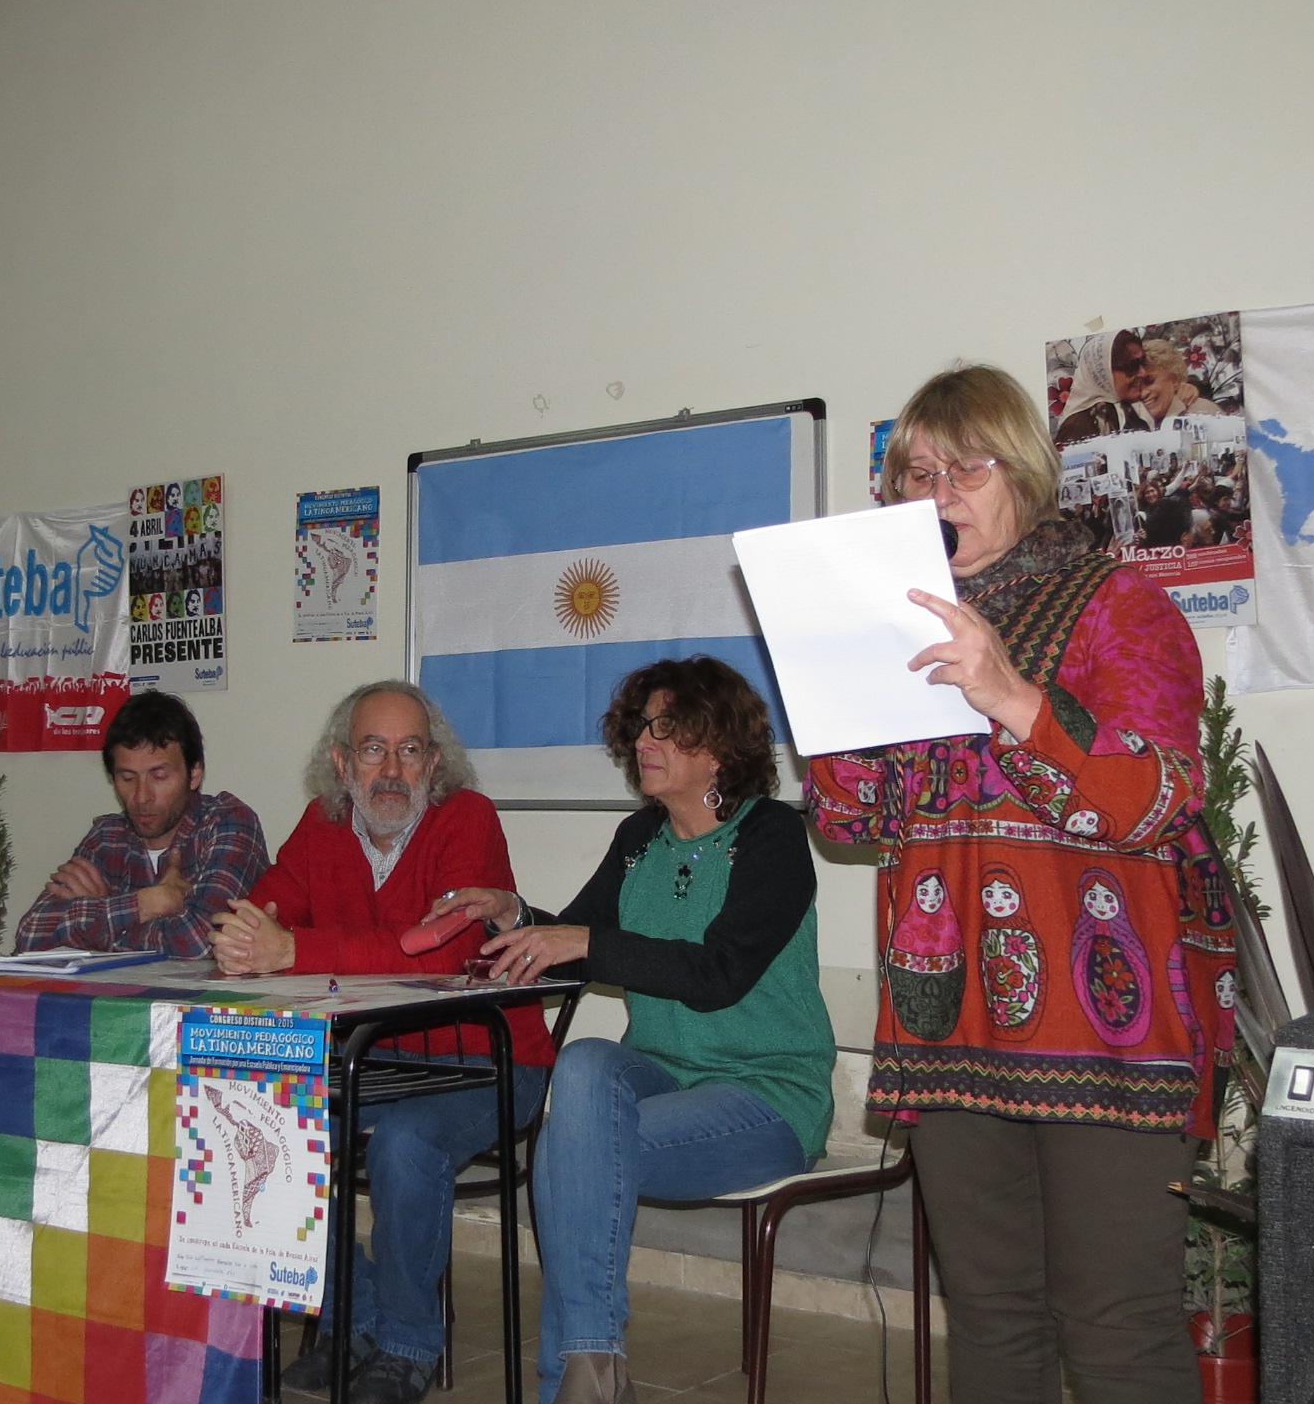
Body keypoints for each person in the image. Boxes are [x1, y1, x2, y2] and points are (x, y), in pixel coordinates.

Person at [804, 363, 1235, 1404]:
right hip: (949, 1016)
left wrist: (1008, 694)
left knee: (1117, 1325)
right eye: (917, 475)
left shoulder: (1120, 607)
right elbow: (848, 824)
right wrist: (833, 706)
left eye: (967, 469)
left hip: (1106, 1026)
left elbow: (1156, 799)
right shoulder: (896, 632)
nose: (939, 493)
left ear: (1026, 476)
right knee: (990, 1317)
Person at [430, 658, 833, 1404]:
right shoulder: (640, 837)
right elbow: (577, 943)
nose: (645, 741)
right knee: (585, 1059)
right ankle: (591, 1373)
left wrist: (583, 940)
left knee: (572, 1154)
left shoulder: (771, 835)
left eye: (667, 727)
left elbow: (719, 973)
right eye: (642, 726)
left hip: (767, 1093)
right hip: (661, 1075)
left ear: (719, 745)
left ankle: (577, 1382)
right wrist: (514, 914)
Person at [212, 681, 556, 1404]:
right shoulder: (322, 824)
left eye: (410, 750)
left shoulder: (468, 817)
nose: (392, 771)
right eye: (374, 750)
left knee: (405, 1142)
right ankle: (353, 1317)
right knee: (257, 1120)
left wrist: (291, 950)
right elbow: (266, 905)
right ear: (342, 764)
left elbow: (439, 953)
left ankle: (408, 1343)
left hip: (490, 1062)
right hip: (377, 1061)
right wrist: (244, 936)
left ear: (435, 763)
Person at [12, 690, 266, 958]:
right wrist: (152, 902)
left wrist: (104, 914)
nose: (142, 796)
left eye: (159, 776)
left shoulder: (228, 823)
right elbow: (30, 935)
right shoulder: (107, 837)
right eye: (128, 778)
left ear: (194, 774)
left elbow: (198, 943)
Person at [1051, 330, 1155, 447]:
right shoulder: (1078, 429)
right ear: (1104, 372)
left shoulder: (1130, 414)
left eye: (1143, 363)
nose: (1143, 372)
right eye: (1132, 366)